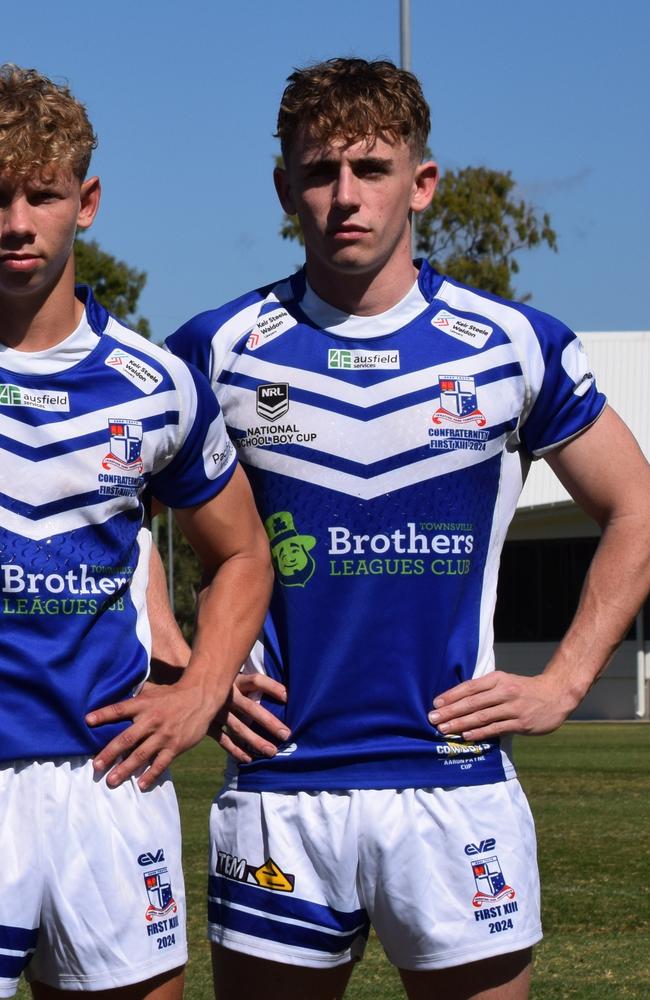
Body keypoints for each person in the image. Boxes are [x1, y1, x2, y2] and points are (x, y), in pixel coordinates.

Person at [163, 58, 650, 1000]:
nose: (345, 197)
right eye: (318, 172)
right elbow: (116, 506)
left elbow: (636, 506)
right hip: (280, 788)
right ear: (283, 188)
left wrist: (567, 681)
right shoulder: (215, 350)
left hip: (455, 786)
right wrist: (187, 670)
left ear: (421, 183)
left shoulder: (515, 346)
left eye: (372, 169)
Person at [0, 64, 272, 1000]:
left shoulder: (157, 384)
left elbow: (241, 552)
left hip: (105, 782)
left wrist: (200, 691)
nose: (16, 222)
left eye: (42, 194)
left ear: (88, 201)